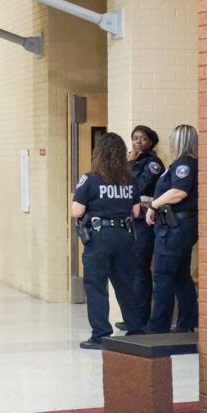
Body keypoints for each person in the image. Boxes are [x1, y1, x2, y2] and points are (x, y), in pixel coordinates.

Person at [72, 132, 143, 350]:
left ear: (98, 154)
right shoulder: (129, 179)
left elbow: (77, 211)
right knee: (125, 284)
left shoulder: (90, 179)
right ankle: (136, 328)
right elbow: (137, 211)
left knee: (96, 286)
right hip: (125, 236)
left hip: (99, 237)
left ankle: (101, 334)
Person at [145, 124, 198, 333]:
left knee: (164, 276)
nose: (170, 142)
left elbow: (179, 192)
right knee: (181, 276)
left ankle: (158, 327)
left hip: (175, 228)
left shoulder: (184, 164)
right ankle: (185, 324)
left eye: (173, 139)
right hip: (181, 227)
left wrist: (153, 205)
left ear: (180, 142)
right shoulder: (183, 164)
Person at [123, 125, 164, 328]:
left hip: (144, 223)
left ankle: (141, 319)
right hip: (130, 221)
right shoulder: (130, 162)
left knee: (140, 269)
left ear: (151, 142)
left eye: (143, 138)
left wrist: (129, 165)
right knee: (130, 270)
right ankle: (132, 317)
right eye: (135, 138)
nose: (138, 142)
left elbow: (138, 187)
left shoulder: (152, 163)